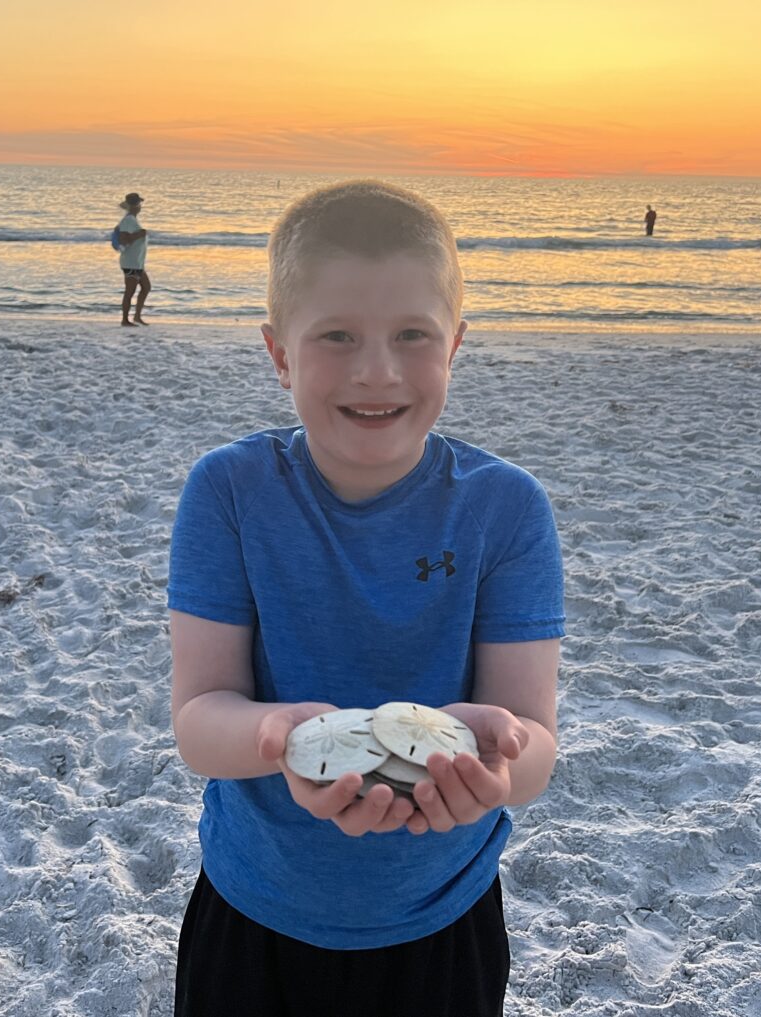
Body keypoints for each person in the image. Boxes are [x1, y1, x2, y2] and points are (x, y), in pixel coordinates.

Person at [167, 180, 565, 1017]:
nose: (376, 370)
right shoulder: (230, 491)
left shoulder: (506, 508)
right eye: (337, 335)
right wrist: (278, 737)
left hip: (440, 920)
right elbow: (202, 719)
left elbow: (532, 747)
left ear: (454, 344)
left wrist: (496, 766)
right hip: (255, 909)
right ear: (280, 353)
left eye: (411, 334)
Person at [116, 192, 150, 326]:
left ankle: (137, 316)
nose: (140, 206)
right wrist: (139, 234)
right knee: (129, 291)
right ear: (134, 206)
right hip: (130, 263)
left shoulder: (132, 219)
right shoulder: (128, 220)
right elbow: (123, 240)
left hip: (137, 262)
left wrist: (139, 234)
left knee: (146, 287)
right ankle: (125, 320)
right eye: (139, 204)